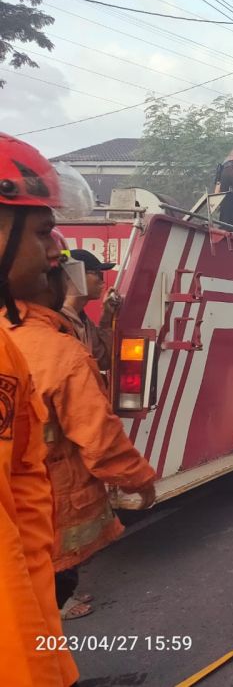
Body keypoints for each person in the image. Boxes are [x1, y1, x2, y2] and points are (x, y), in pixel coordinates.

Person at [4, 251, 157, 621]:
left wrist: (107, 317)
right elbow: (99, 438)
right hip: (50, 493)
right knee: (43, 595)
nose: (101, 280)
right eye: (92, 274)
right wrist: (141, 481)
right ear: (59, 281)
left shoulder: (19, 333)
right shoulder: (59, 348)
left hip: (18, 499)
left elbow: (102, 354)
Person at [0, 133, 79, 686]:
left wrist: (51, 664)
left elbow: (23, 506)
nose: (56, 253)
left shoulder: (9, 347)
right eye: (44, 233)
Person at [61, 248, 118, 372]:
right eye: (98, 274)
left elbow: (103, 360)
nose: (102, 281)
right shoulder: (56, 320)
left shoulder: (83, 321)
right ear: (76, 275)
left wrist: (106, 317)